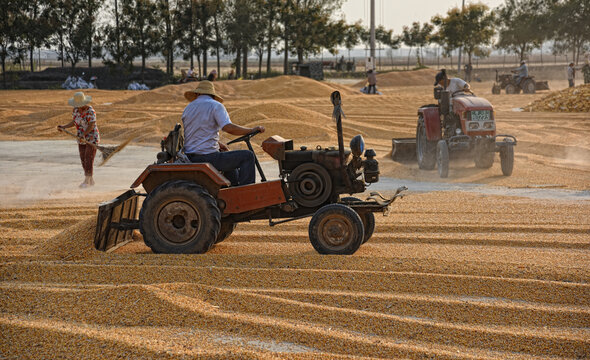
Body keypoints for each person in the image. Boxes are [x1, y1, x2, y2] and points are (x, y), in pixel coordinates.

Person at [182, 81, 265, 186]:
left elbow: (197, 132)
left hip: (191, 156)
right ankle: (246, 193)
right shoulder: (215, 105)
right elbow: (228, 128)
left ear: (197, 94)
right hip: (208, 157)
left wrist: (219, 144)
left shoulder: (188, 108)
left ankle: (233, 189)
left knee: (228, 160)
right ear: (212, 94)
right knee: (248, 156)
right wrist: (251, 130)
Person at [57, 91, 100, 188]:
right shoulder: (75, 110)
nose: (79, 106)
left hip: (91, 138)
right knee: (83, 159)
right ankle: (90, 180)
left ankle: (87, 180)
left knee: (89, 158)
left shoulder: (90, 111)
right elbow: (74, 121)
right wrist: (64, 127)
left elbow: (91, 125)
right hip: (81, 138)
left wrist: (84, 134)